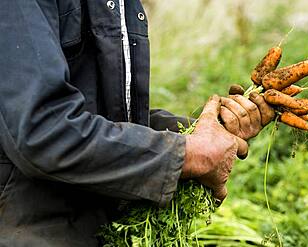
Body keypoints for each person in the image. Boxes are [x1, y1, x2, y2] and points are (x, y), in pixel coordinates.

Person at [0, 1, 274, 246]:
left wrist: (209, 129)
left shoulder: (121, 5)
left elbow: (111, 119)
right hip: (28, 227)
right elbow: (44, 130)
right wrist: (189, 153)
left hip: (99, 225)